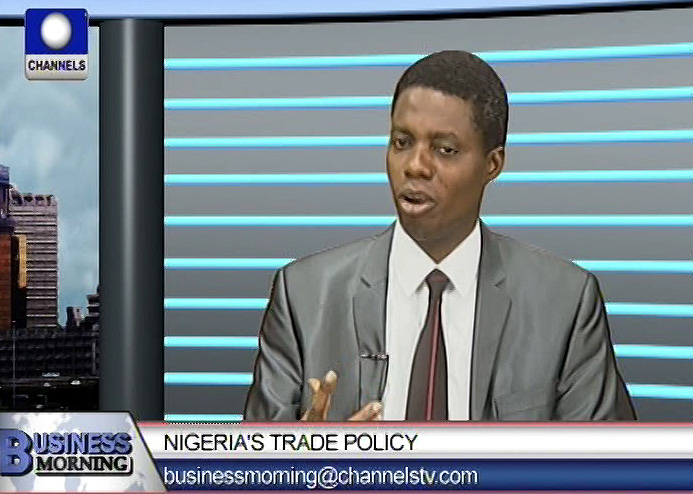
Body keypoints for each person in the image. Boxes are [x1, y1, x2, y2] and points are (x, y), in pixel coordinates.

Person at [243, 50, 636, 421]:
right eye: (402, 142)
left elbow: (606, 463)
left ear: (493, 164)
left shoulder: (565, 304)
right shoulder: (303, 297)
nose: (415, 166)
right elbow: (247, 463)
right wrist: (305, 456)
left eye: (445, 150)